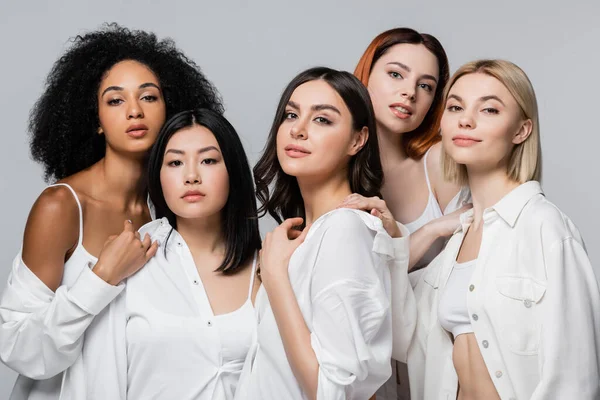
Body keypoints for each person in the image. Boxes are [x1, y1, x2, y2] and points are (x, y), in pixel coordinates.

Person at [0, 24, 223, 399]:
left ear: (170, 108)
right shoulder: (63, 206)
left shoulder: (172, 211)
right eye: (115, 100)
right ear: (97, 120)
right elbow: (16, 347)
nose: (134, 110)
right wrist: (101, 277)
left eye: (149, 97)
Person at [398, 59, 600, 399]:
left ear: (521, 130)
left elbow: (574, 377)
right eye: (455, 106)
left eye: (489, 110)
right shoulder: (454, 246)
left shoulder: (545, 228)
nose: (466, 119)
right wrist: (431, 231)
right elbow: (380, 307)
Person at [234, 67, 410, 400]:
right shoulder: (308, 235)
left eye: (322, 120)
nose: (298, 130)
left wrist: (275, 277)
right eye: (291, 114)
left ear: (357, 140)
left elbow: (331, 391)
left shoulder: (345, 230)